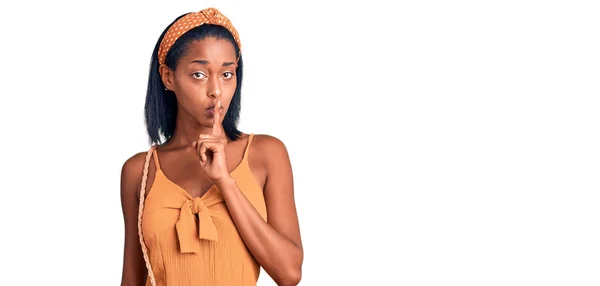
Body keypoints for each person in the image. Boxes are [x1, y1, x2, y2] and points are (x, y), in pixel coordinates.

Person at [119, 8, 303, 286]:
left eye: (227, 74)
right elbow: (132, 279)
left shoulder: (266, 154)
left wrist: (225, 181)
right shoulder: (139, 170)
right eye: (199, 75)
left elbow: (289, 274)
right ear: (168, 77)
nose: (216, 90)